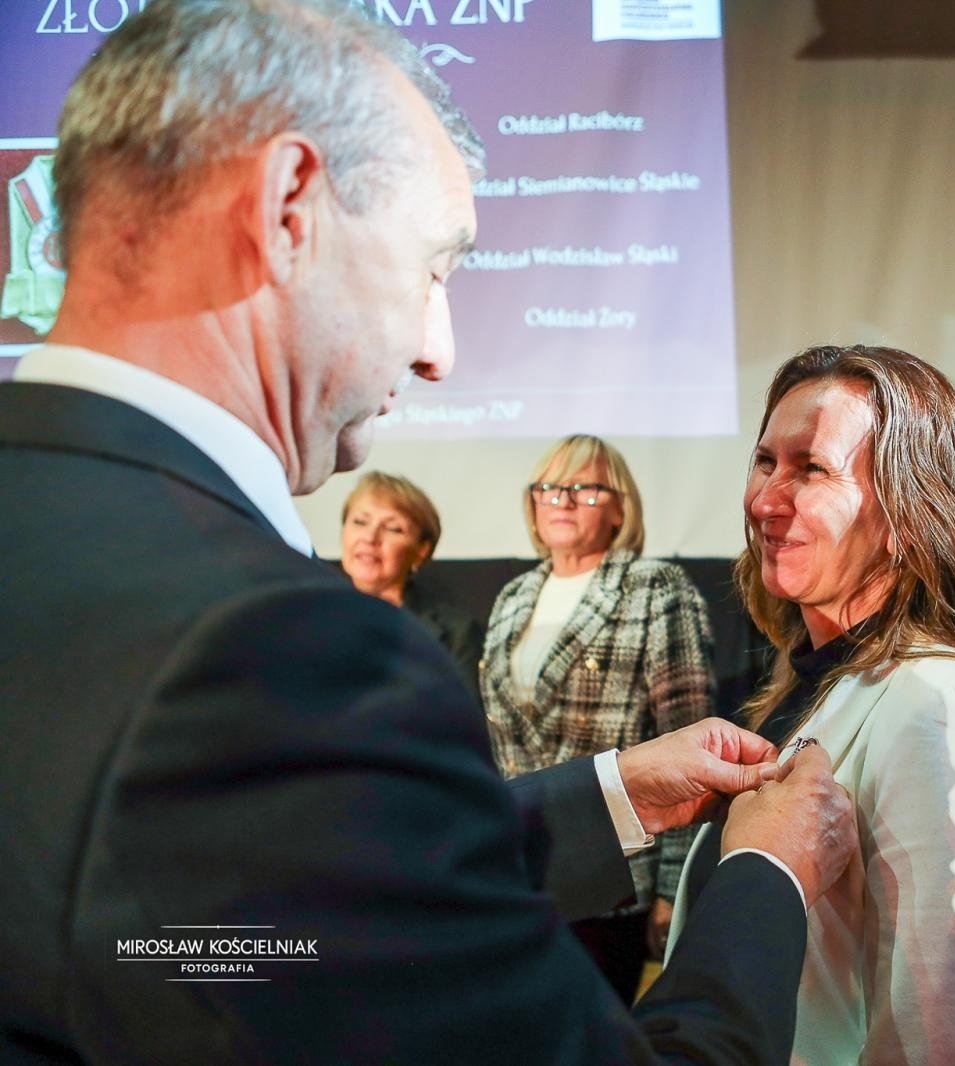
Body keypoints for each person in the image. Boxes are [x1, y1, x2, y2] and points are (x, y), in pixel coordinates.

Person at [0, 2, 857, 1063]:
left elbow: (201, 936)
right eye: (436, 268)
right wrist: (763, 876)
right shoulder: (267, 648)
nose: (439, 349)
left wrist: (614, 793)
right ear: (288, 206)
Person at [670, 344, 955, 1064]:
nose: (763, 500)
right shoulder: (807, 689)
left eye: (810, 468)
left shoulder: (951, 703)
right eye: (765, 463)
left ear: (913, 507)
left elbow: (951, 1038)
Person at [482, 435, 715, 1001]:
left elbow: (690, 743)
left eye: (585, 488)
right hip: (518, 869)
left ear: (620, 507)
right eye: (550, 487)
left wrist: (672, 890)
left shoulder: (656, 587)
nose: (562, 499)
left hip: (612, 878)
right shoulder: (514, 596)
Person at [340, 469, 484, 693]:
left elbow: (461, 723)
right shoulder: (312, 615)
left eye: (392, 528)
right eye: (360, 522)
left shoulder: (458, 634)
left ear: (421, 550)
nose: (370, 538)